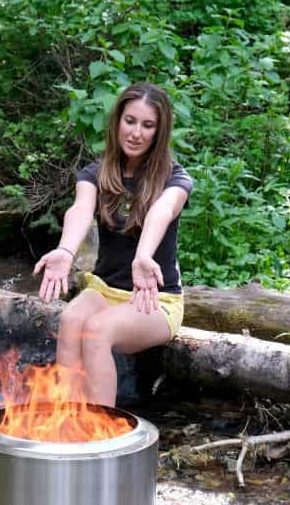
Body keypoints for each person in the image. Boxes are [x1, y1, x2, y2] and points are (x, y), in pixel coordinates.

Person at [34, 82, 193, 406]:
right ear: (117, 121)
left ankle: (100, 438)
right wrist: (66, 250)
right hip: (105, 290)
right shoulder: (95, 173)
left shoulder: (175, 179)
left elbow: (160, 213)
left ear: (159, 133)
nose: (136, 132)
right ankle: (66, 420)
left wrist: (143, 256)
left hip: (152, 299)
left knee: (96, 331)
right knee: (71, 320)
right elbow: (80, 210)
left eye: (148, 125)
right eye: (130, 121)